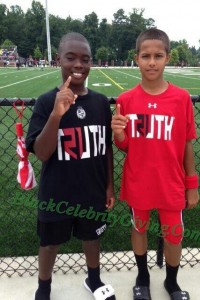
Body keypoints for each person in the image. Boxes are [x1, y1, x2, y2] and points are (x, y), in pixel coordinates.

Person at [26, 32, 116, 300]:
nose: (79, 64)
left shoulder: (100, 103)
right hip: (57, 193)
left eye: (85, 59)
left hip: (92, 190)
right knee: (50, 242)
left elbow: (106, 147)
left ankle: (94, 280)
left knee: (92, 237)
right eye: (71, 57)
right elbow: (42, 153)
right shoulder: (45, 102)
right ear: (58, 60)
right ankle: (44, 288)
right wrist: (56, 113)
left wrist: (110, 185)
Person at [111, 28, 199, 300]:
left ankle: (172, 282)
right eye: (146, 55)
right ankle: (143, 277)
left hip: (171, 182)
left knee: (174, 234)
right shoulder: (126, 100)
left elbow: (186, 144)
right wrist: (118, 134)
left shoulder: (181, 98)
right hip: (139, 180)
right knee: (139, 228)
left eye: (158, 55)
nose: (152, 62)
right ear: (136, 58)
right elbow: (126, 146)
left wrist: (191, 184)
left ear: (168, 58)